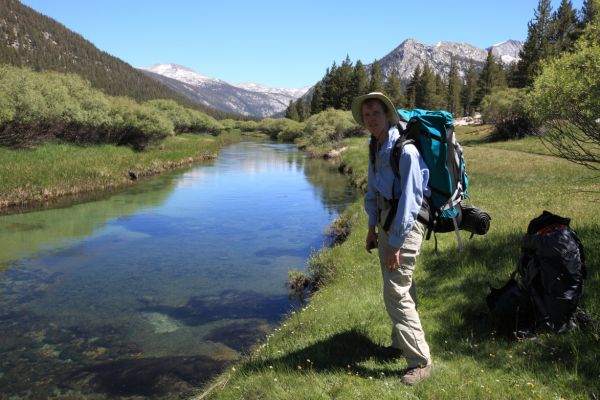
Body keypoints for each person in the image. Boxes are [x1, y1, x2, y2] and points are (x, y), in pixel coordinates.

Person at [351, 92, 433, 385]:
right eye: (366, 115)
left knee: (396, 290)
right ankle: (400, 343)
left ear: (388, 114)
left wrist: (396, 243)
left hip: (406, 227)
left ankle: (421, 361)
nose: (370, 119)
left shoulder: (405, 150)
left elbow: (412, 202)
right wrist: (372, 229)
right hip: (386, 223)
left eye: (375, 112)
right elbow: (373, 191)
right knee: (398, 285)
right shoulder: (375, 146)